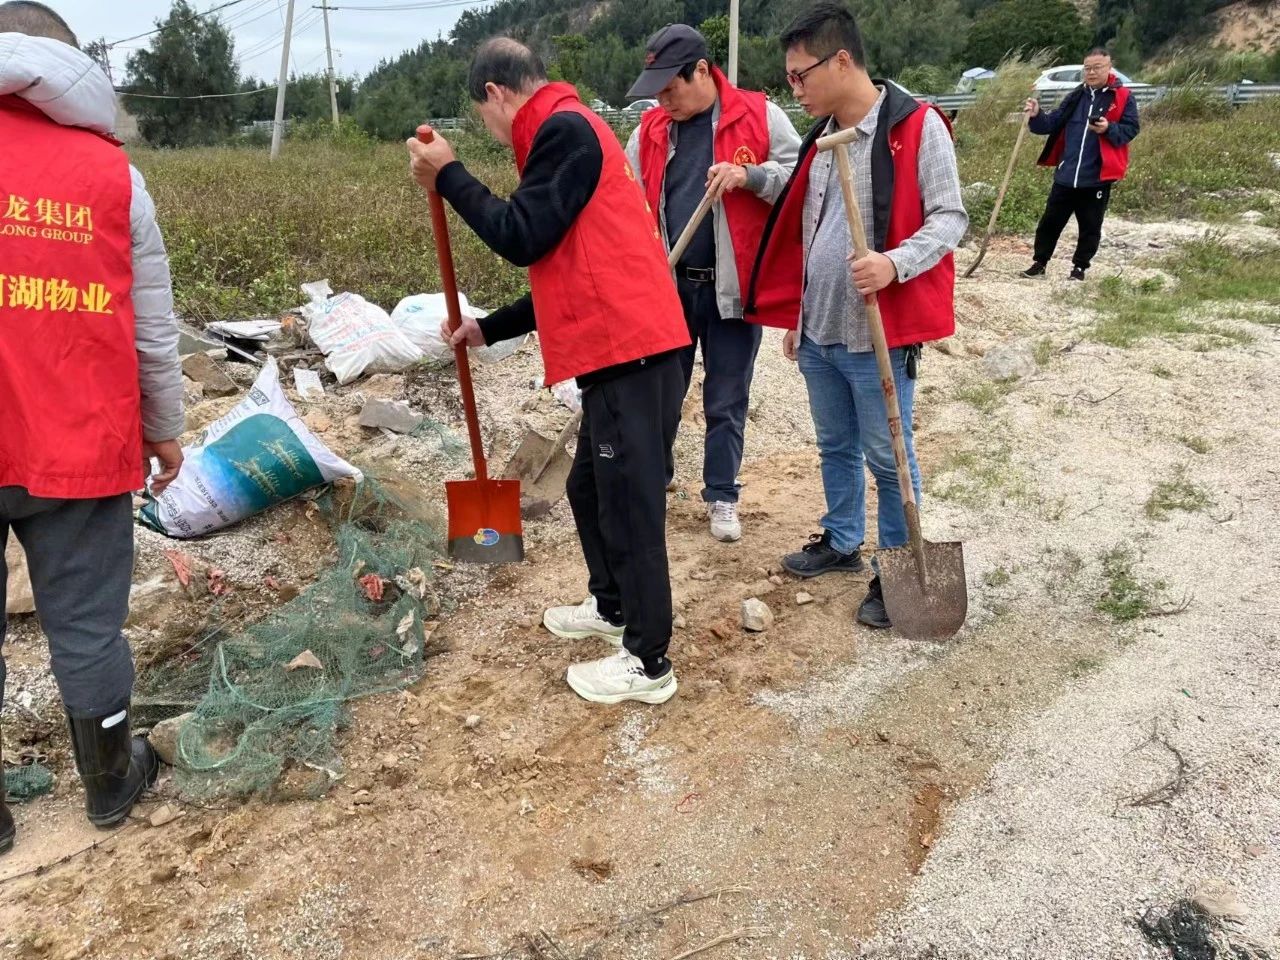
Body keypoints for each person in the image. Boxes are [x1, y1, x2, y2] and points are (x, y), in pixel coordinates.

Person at [406, 38, 690, 705]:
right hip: (623, 349)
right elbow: (568, 272)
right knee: (590, 489)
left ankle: (648, 663)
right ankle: (611, 606)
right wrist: (487, 328)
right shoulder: (569, 131)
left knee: (630, 508)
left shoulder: (563, 131)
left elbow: (520, 235)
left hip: (632, 352)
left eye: (483, 117)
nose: (490, 129)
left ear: (495, 95)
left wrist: (450, 176)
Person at [0, 2, 184, 853]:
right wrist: (166, 430)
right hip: (79, 442)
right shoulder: (114, 176)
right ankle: (112, 783)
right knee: (85, 623)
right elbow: (152, 327)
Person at [743, 2, 967, 630]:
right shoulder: (820, 136)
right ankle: (843, 540)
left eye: (800, 74)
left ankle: (895, 566)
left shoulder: (918, 127)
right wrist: (798, 313)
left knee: (888, 455)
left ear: (841, 59)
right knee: (835, 445)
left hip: (879, 335)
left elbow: (950, 217)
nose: (796, 88)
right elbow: (810, 228)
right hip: (821, 331)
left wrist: (895, 264)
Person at [623, 24, 800, 544]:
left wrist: (751, 177)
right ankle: (656, 487)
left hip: (733, 291)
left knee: (726, 399)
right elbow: (629, 201)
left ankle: (721, 495)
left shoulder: (758, 115)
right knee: (661, 395)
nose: (663, 100)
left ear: (701, 70)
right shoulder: (650, 131)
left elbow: (800, 178)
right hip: (668, 289)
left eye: (670, 88)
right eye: (655, 91)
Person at [1022, 47, 1140, 280]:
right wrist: (1037, 115)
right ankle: (1040, 262)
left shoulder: (1123, 97)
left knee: (1090, 227)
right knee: (1050, 222)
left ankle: (1079, 268)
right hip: (1066, 174)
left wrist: (1108, 129)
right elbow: (1052, 122)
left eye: (1097, 67)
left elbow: (1131, 129)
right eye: (1087, 68)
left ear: (1109, 67)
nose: (1092, 72)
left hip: (1096, 177)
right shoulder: (1076, 96)